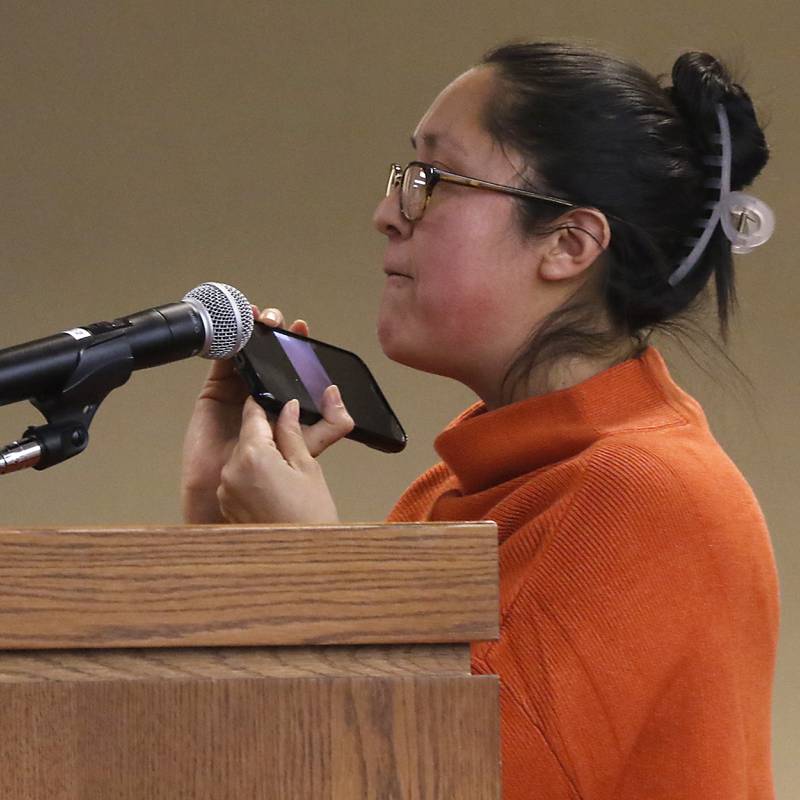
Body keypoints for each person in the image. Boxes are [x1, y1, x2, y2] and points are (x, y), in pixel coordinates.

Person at [181, 42, 779, 799]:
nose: (386, 215)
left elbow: (444, 780)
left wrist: (312, 572)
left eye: (431, 179)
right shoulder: (454, 491)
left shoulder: (647, 493)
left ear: (569, 245)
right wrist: (216, 534)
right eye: (404, 177)